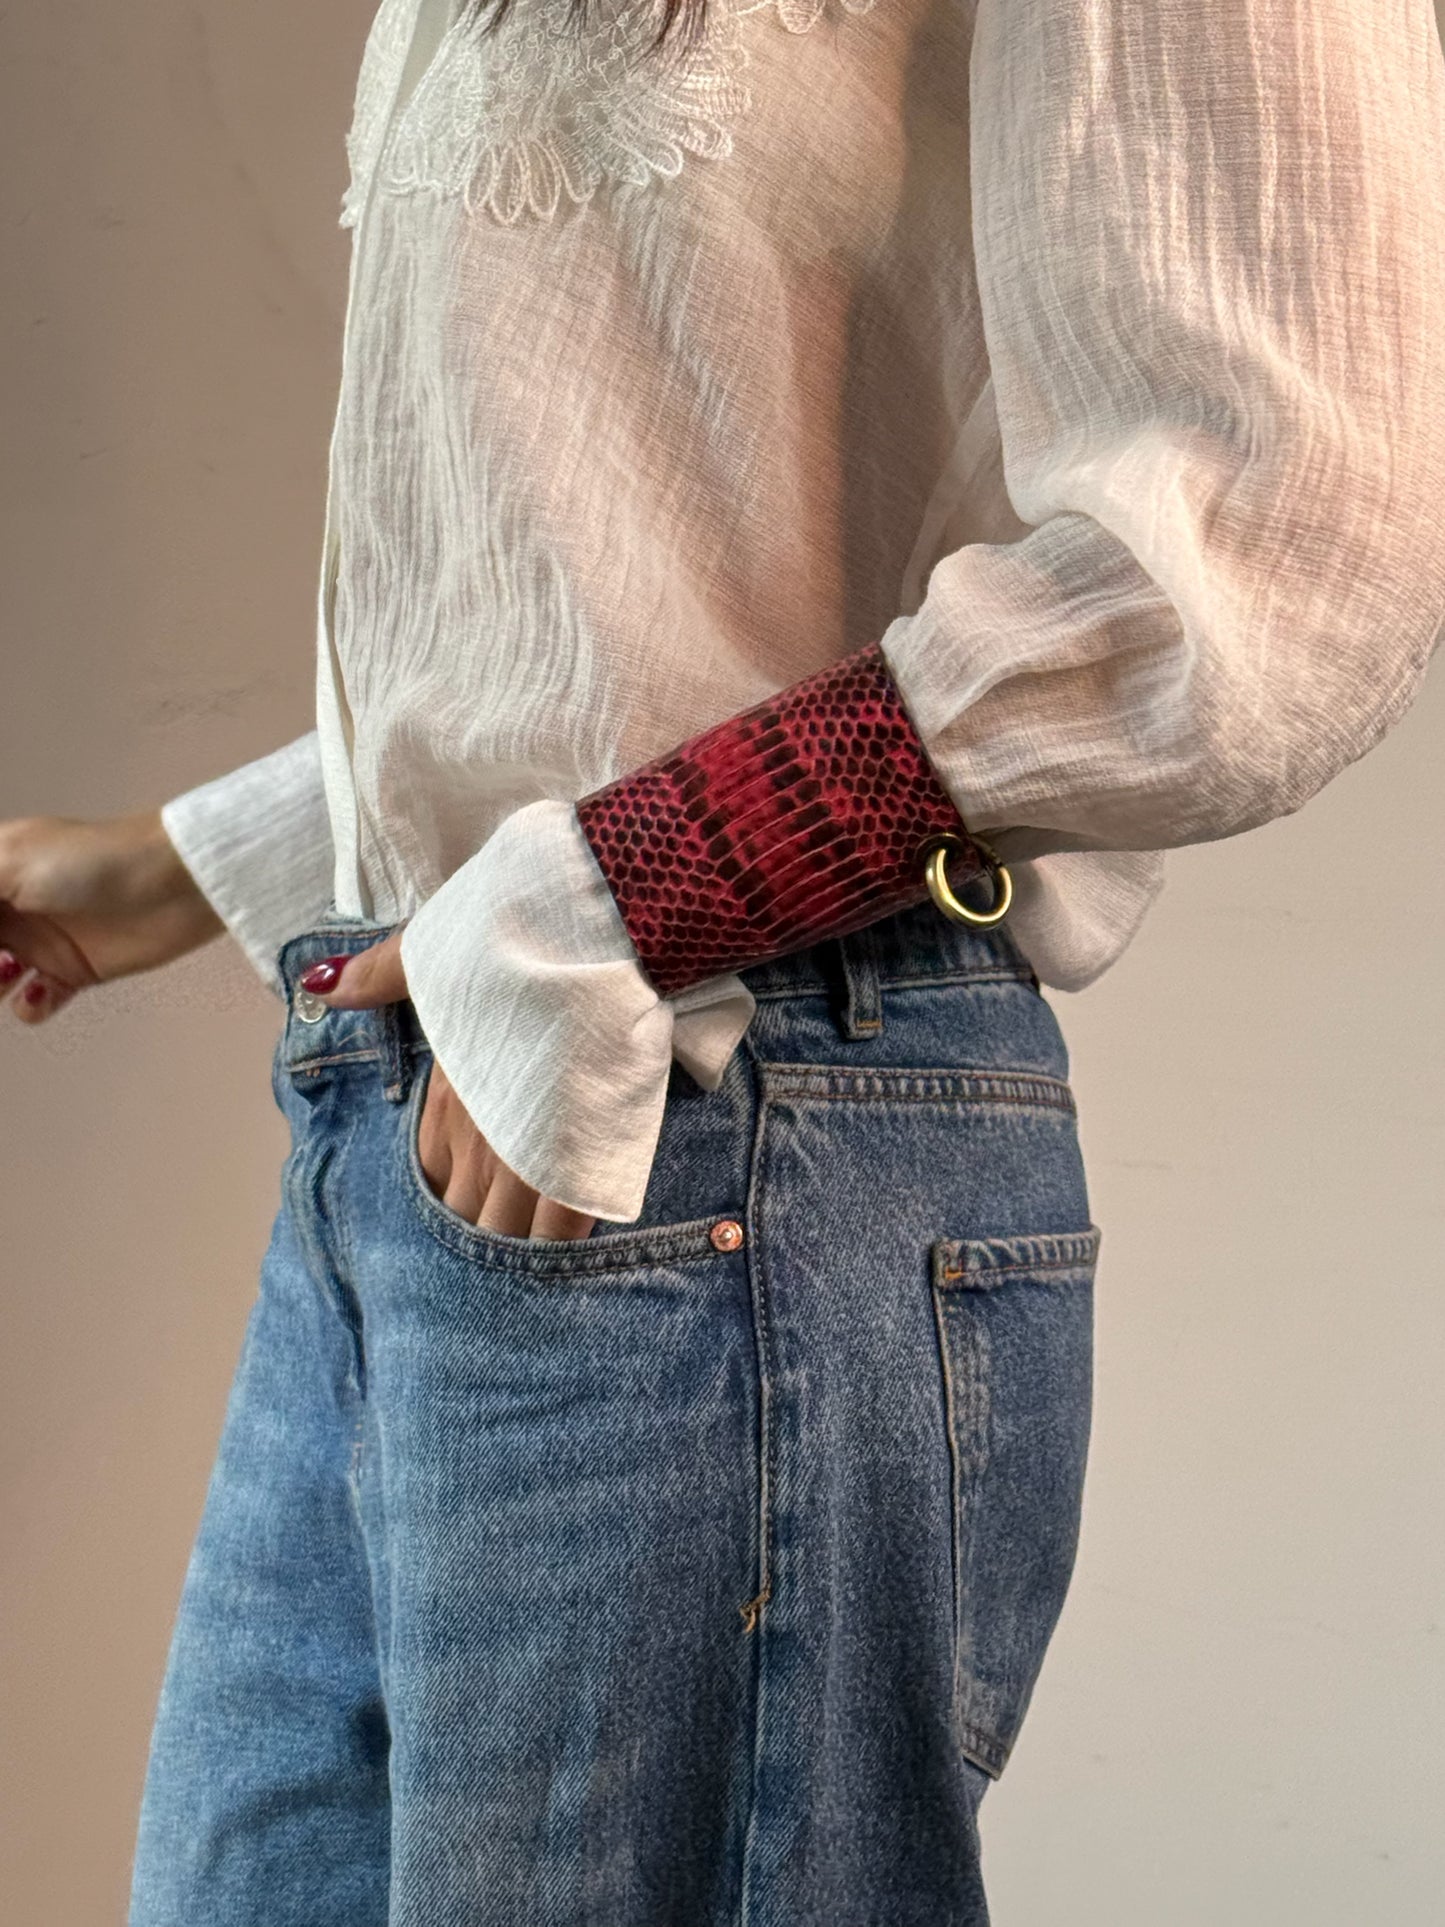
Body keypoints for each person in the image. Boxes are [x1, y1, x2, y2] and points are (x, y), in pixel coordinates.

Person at [4, 0, 1445, 1919]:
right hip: (452, 1106)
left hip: (729, 1115)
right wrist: (200, 863)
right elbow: (642, 579)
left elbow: (1273, 533)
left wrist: (616, 902)